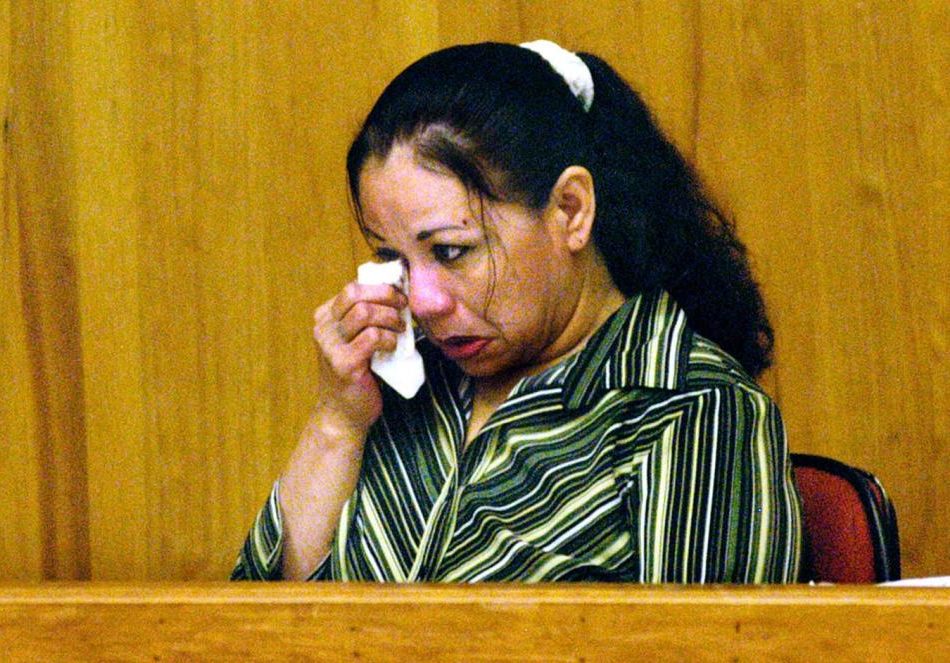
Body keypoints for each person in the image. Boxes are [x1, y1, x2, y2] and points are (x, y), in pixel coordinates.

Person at [232, 40, 802, 582]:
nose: (424, 302)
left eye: (452, 251)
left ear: (571, 210)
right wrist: (338, 423)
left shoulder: (691, 409)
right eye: (395, 260)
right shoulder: (404, 392)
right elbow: (255, 630)